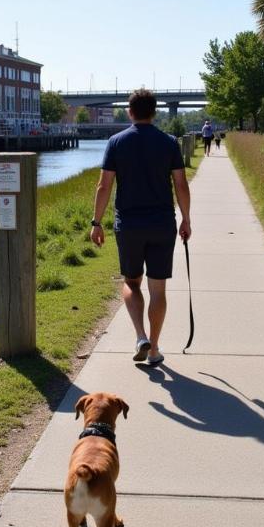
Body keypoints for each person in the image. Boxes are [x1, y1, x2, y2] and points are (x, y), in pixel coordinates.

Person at [90, 89, 192, 366]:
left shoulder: (116, 142)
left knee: (131, 283)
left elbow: (104, 186)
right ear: (154, 112)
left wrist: (96, 222)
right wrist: (186, 219)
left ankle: (140, 336)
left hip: (130, 224)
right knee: (158, 289)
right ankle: (155, 349)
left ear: (131, 112)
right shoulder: (169, 143)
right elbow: (181, 185)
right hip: (162, 224)